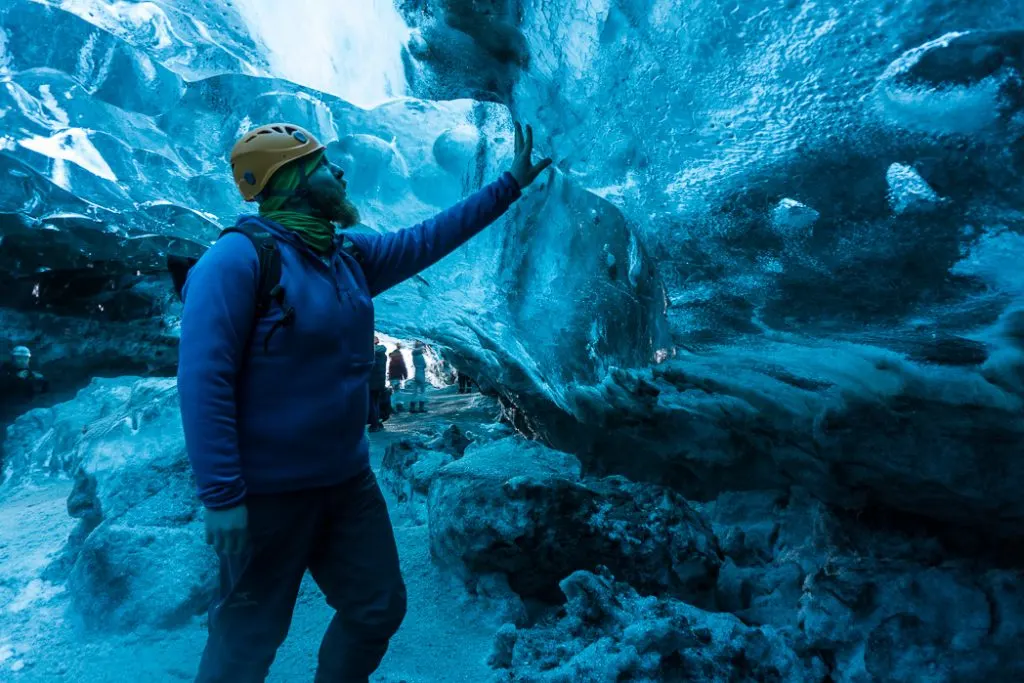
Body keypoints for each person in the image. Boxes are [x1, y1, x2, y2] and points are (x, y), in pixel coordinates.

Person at [177, 120, 551, 683]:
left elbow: (429, 238)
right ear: (293, 179)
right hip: (268, 496)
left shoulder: (345, 256)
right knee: (246, 641)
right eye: (325, 164)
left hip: (346, 483)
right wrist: (222, 496)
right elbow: (203, 380)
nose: (340, 172)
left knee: (377, 606)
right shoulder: (235, 261)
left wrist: (509, 184)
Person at [368, 337, 388, 432]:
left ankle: (374, 424)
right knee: (376, 403)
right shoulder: (383, 355)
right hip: (380, 383)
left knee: (372, 404)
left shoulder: (372, 354)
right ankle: (378, 422)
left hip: (372, 383)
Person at [388, 344, 408, 412]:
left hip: (392, 377)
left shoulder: (392, 358)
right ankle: (394, 406)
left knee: (396, 392)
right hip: (397, 377)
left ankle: (397, 406)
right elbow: (403, 366)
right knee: (397, 392)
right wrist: (405, 374)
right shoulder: (399, 357)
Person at [410, 341, 428, 414]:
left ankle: (412, 407)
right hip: (421, 374)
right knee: (422, 391)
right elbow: (424, 365)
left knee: (415, 392)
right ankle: (421, 407)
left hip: (416, 373)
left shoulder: (414, 355)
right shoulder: (420, 356)